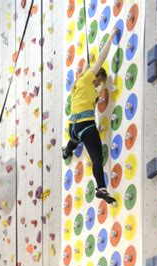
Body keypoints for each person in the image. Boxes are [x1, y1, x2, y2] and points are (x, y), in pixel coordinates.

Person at [62, 29, 118, 205]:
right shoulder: (88, 82)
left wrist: (89, 64)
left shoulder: (78, 85)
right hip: (86, 127)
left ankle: (67, 151)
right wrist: (111, 36)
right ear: (97, 78)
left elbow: (91, 77)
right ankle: (101, 188)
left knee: (74, 140)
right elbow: (100, 59)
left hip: (73, 127)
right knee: (97, 159)